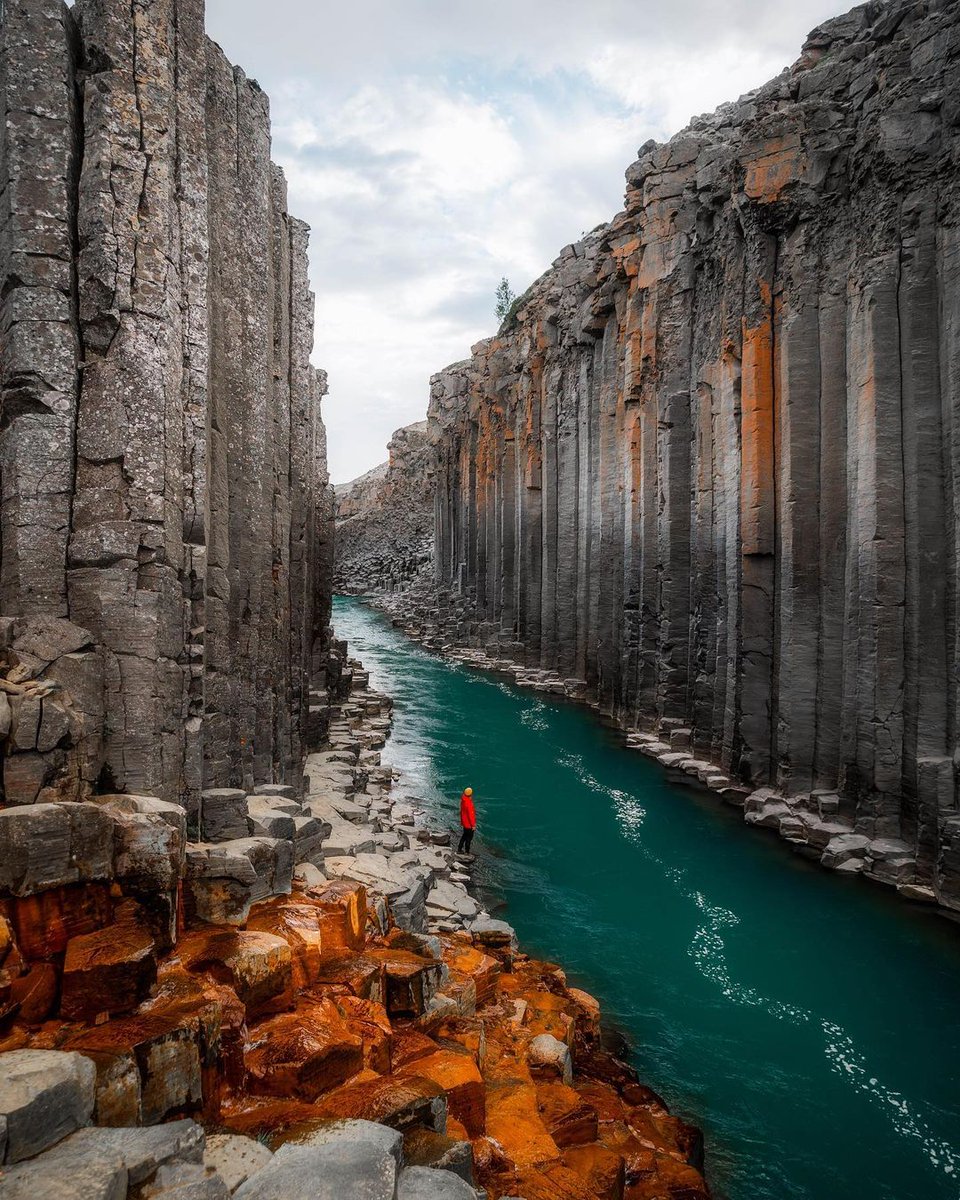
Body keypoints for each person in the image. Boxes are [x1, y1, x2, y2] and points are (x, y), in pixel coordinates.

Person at [457, 786, 476, 855]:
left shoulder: (463, 800)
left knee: (464, 836)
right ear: (471, 794)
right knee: (469, 838)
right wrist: (473, 825)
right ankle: (467, 852)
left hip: (464, 823)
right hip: (469, 825)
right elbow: (471, 816)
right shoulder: (469, 803)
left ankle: (459, 849)